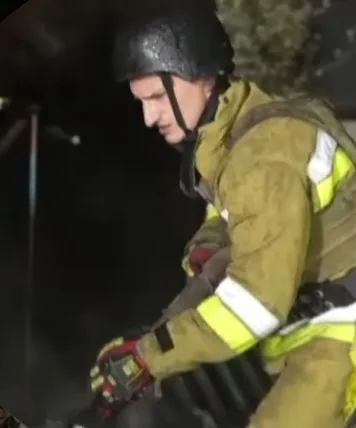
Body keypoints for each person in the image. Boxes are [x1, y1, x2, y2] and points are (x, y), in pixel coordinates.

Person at [89, 5, 356, 428]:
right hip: (314, 328)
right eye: (141, 102)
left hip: (342, 331)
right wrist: (210, 246)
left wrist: (148, 357)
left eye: (156, 98)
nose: (148, 118)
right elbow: (236, 215)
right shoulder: (235, 137)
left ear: (201, 76)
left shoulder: (261, 155)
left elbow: (255, 303)